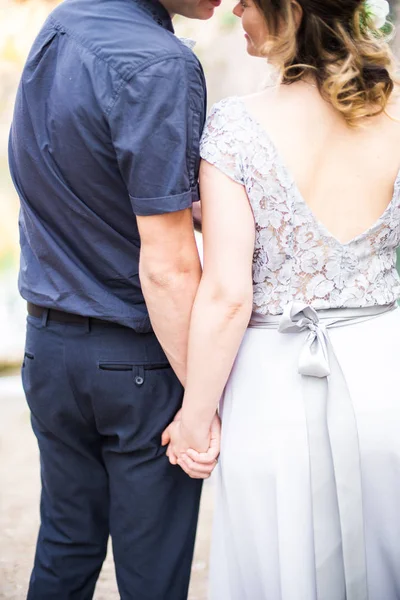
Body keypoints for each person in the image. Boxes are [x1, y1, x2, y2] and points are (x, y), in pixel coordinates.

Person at [163, 0, 400, 598]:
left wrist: (195, 420)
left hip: (277, 395)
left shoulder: (237, 128)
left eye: (247, 0)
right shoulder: (394, 110)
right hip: (386, 376)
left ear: (289, 10)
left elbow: (226, 296)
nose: (235, 8)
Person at [8, 0, 221, 598]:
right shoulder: (161, 63)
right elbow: (169, 264)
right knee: (152, 575)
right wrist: (201, 405)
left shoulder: (62, 26)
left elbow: (89, 179)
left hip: (49, 348)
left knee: (65, 549)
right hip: (136, 362)